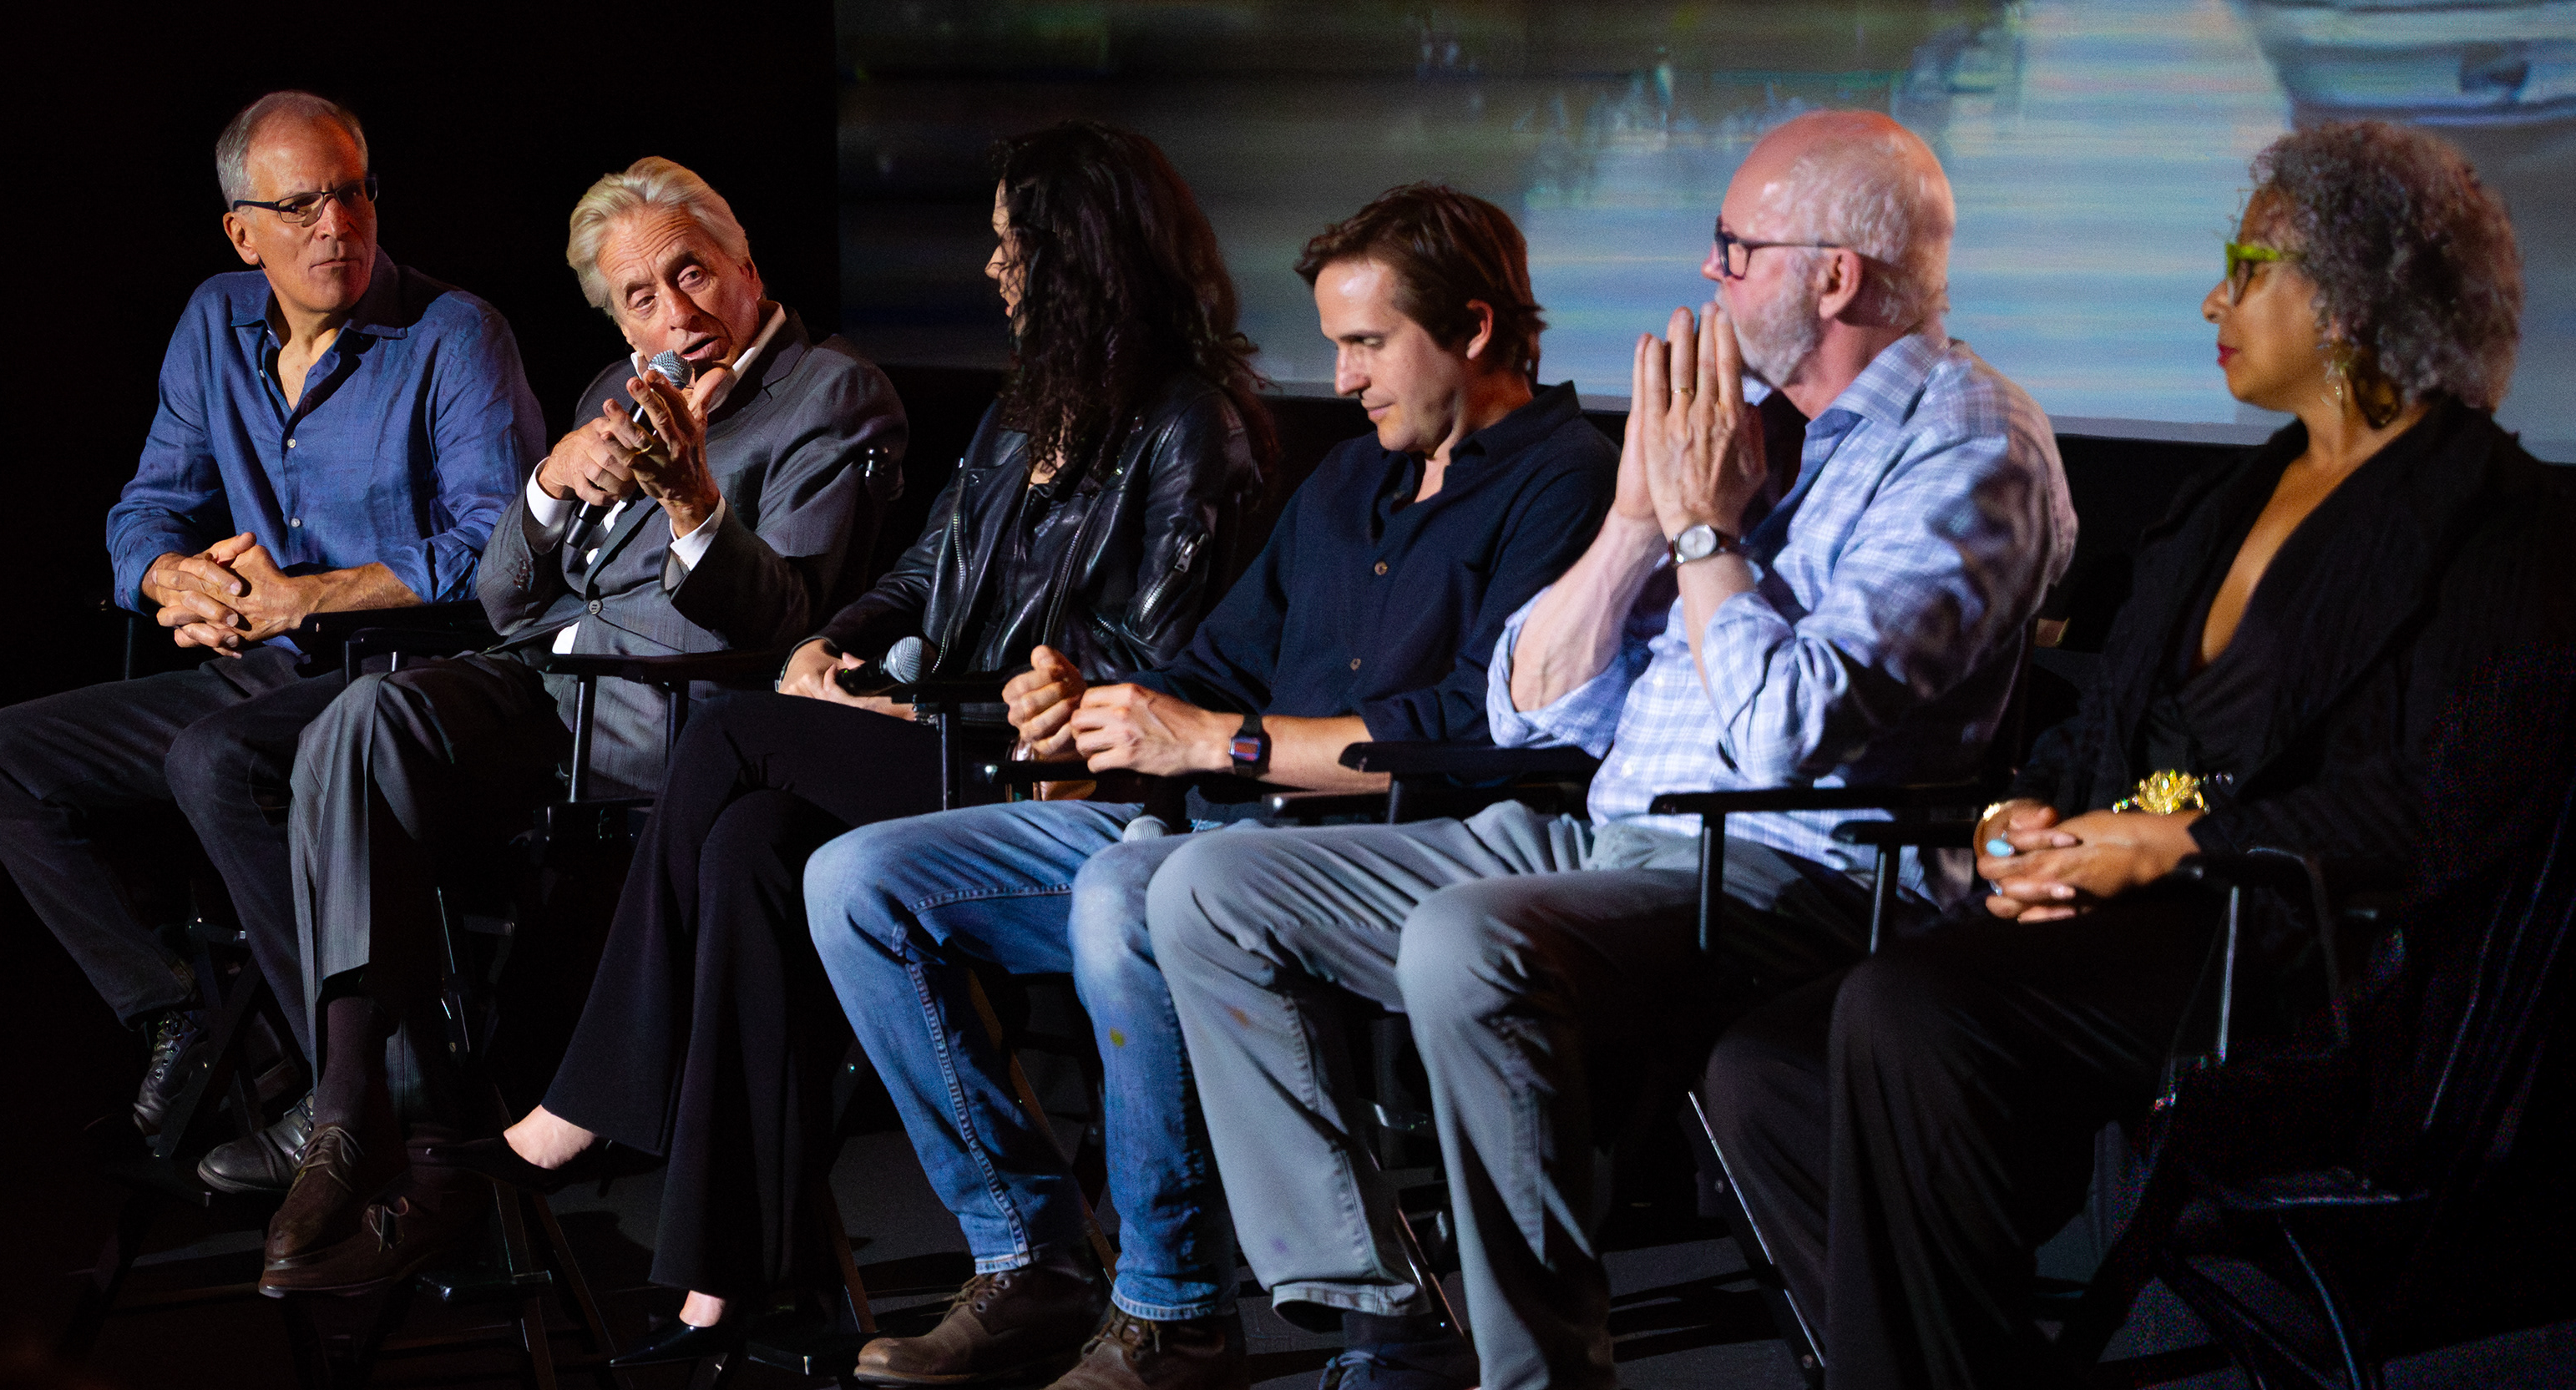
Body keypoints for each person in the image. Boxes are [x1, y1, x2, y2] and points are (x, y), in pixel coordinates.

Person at [1148, 110, 2075, 1390]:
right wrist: (1639, 525)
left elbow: (1791, 734)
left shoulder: (1971, 445)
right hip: (1603, 834)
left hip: (1787, 872)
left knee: (1466, 937)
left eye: (1735, 247)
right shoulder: (1748, 432)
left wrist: (1704, 536)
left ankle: (1540, 1374)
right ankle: (1389, 1306)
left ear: (1837, 274)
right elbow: (1538, 711)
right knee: (1208, 887)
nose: (1712, 275)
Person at [1699, 120, 2553, 1390]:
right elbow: (2087, 745)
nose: (2216, 295)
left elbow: (2442, 805)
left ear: (2360, 295)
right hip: (2119, 933)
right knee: (1760, 1073)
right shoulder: (2227, 501)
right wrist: (2015, 828)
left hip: (2302, 957)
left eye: (2252, 264)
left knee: (1905, 1010)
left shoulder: (2510, 525)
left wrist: (2173, 841)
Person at [433, 122, 1272, 1363]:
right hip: (956, 736)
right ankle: (730, 1278)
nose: (992, 269)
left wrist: (917, 707)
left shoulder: (1191, 426)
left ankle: (577, 1108)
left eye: (1008, 246)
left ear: (1076, 254)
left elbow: (1146, 675)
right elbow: (927, 571)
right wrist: (837, 650)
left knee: (729, 747)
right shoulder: (1021, 415)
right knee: (756, 848)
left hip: (1049, 768)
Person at [810, 183, 1619, 1390]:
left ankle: (1175, 1306)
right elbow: (1213, 666)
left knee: (1136, 888)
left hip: (1391, 850)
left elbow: (1479, 725)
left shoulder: (1567, 482)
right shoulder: (1351, 484)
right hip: (1207, 820)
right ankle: (1030, 1257)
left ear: (1479, 328)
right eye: (1338, 346)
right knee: (860, 877)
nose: (1343, 380)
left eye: (1366, 344)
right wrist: (1087, 714)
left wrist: (1219, 744)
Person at [252, 156, 908, 1298]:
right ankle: (355, 1108)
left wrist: (693, 500)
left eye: (693, 275)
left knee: (364, 783)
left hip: (667, 713)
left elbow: (795, 618)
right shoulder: (621, 380)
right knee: (360, 722)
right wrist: (551, 483)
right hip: (539, 682)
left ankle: (440, 1132)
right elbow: (507, 602)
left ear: (747, 266)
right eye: (640, 298)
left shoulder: (830, 394)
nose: (676, 315)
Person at [0, 92, 538, 1139]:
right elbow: (146, 505)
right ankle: (192, 1019)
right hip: (262, 672)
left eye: (352, 194)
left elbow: (502, 554)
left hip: (403, 682)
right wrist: (168, 575)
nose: (338, 225)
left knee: (216, 761)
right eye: (302, 204)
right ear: (243, 231)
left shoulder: (454, 335)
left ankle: (361, 1090)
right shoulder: (214, 321)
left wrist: (304, 594)